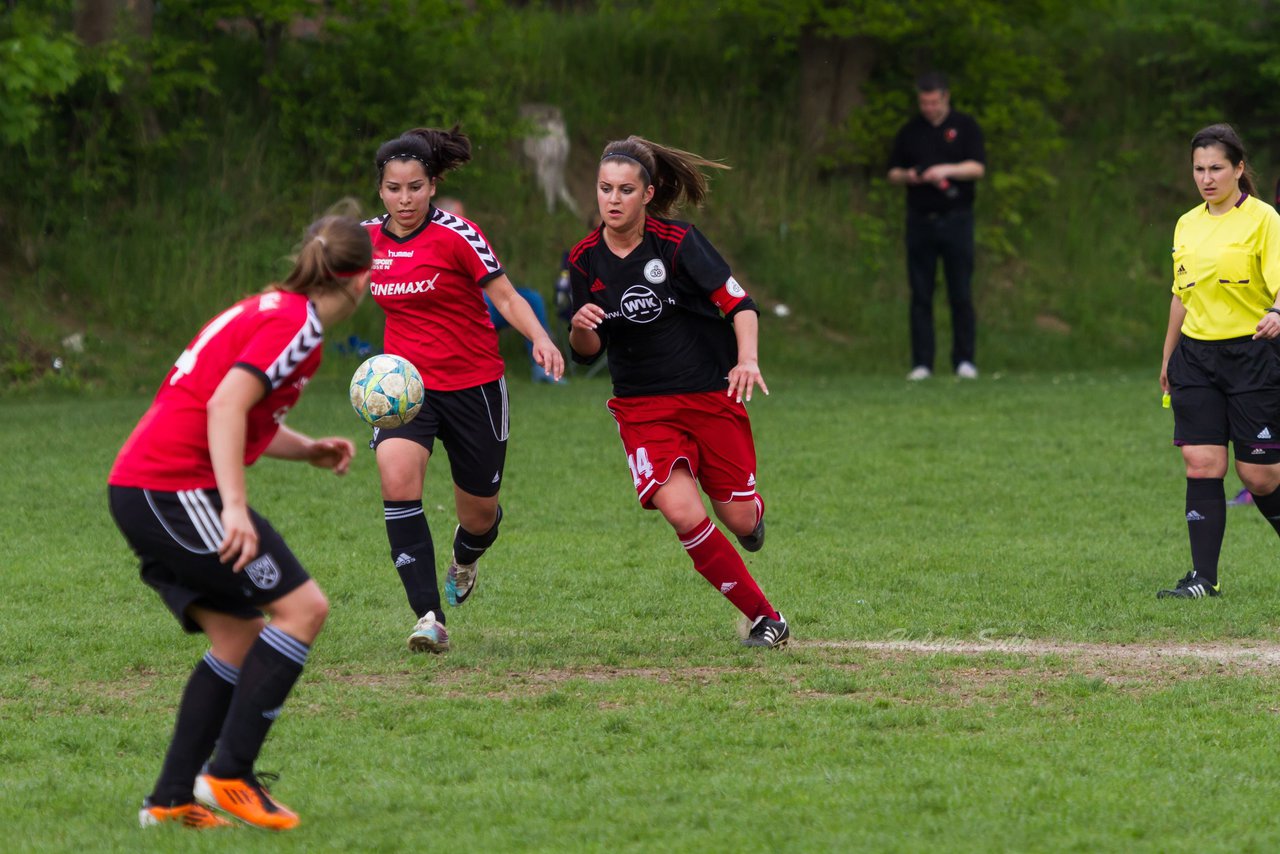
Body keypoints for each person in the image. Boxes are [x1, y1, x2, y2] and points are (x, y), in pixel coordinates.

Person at [108, 215, 374, 831]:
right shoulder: (294, 326)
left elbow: (238, 408)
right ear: (360, 281)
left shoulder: (278, 311)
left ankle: (170, 801)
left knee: (237, 637)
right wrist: (233, 504)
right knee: (303, 609)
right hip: (171, 487)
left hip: (147, 486)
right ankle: (230, 774)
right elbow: (225, 404)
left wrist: (306, 448)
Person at [567, 135, 790, 649]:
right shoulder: (583, 259)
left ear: (647, 194)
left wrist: (747, 359)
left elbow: (740, 304)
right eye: (604, 189)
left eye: (625, 189)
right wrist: (580, 326)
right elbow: (586, 348)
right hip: (642, 407)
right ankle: (765, 618)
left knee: (735, 516)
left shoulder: (678, 241)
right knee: (683, 513)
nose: (613, 199)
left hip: (709, 396)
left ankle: (751, 517)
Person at [365, 127, 564, 652]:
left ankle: (467, 555)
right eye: (393, 188)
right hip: (404, 391)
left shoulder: (458, 234)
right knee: (396, 478)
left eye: (414, 187)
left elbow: (507, 296)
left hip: (474, 385)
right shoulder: (366, 239)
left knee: (479, 514)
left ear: (432, 185)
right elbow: (318, 282)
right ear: (380, 190)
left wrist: (540, 339)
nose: (403, 199)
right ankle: (428, 617)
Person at [1158, 123, 1280, 599]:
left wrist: (1277, 313)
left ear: (1239, 169)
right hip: (1196, 357)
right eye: (1199, 169)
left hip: (1252, 354)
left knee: (1258, 475)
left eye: (1217, 168)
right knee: (1201, 462)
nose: (1207, 178)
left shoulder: (1264, 219)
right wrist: (1168, 356)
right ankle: (1203, 579)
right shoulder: (1186, 223)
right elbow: (1180, 296)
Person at [887, 71, 986, 381]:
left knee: (960, 291)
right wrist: (910, 176)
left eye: (933, 102)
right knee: (921, 293)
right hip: (920, 222)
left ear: (945, 97)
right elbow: (892, 172)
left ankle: (964, 360)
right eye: (923, 102)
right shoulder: (910, 131)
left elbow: (977, 167)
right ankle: (922, 364)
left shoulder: (965, 126)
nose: (928, 107)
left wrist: (946, 170)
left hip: (957, 220)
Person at [435, 195, 564, 384]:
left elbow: (495, 280)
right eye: (458, 216)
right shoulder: (434, 245)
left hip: (490, 299)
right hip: (470, 307)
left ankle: (542, 363)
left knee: (531, 298)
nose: (463, 221)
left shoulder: (468, 237)